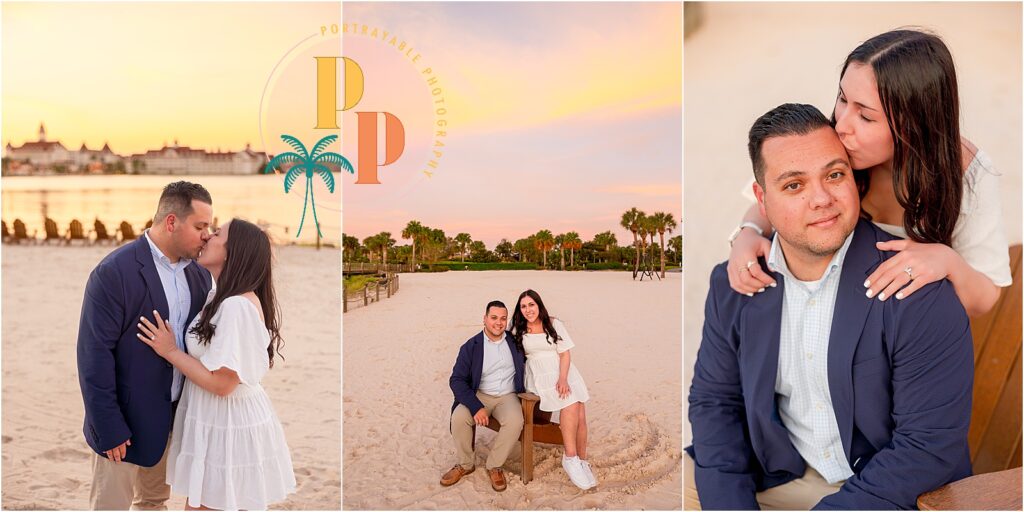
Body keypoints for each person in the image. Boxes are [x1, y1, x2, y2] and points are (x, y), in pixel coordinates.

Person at [686, 103, 974, 510]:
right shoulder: (735, 282)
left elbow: (929, 446)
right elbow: (716, 403)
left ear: (855, 182)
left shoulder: (914, 286)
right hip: (780, 471)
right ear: (761, 199)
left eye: (834, 175)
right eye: (793, 185)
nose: (821, 199)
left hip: (895, 492)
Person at [727, 29, 1011, 317]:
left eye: (865, 116)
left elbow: (987, 297)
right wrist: (747, 233)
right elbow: (776, 193)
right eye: (842, 98)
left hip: (913, 318)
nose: (841, 125)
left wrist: (947, 261)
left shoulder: (969, 175)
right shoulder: (838, 138)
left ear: (913, 125)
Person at [136, 219, 296, 510]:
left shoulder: (236, 307)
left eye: (217, 233)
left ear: (232, 251)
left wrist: (170, 351)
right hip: (216, 420)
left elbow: (223, 384)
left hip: (228, 423)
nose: (207, 236)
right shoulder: (218, 296)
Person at [77, 181, 214, 510]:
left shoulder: (199, 276)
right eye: (200, 226)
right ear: (171, 222)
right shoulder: (113, 273)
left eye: (209, 227)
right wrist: (108, 426)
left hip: (171, 420)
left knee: (153, 503)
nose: (207, 235)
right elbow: (93, 356)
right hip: (121, 425)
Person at [510, 290, 595, 490]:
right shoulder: (517, 329)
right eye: (523, 306)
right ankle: (570, 457)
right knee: (572, 403)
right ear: (519, 310)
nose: (528, 310)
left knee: (581, 414)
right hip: (538, 375)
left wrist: (563, 378)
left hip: (563, 371)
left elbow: (565, 354)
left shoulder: (554, 324)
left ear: (538, 305)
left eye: (531, 305)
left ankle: (582, 461)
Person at [442, 300, 526, 492]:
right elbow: (456, 380)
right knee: (459, 417)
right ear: (485, 319)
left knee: (515, 421)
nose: (498, 322)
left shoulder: (515, 343)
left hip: (507, 396)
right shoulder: (471, 346)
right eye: (494, 317)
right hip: (479, 394)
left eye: (503, 318)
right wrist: (475, 406)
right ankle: (465, 464)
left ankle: (494, 465)